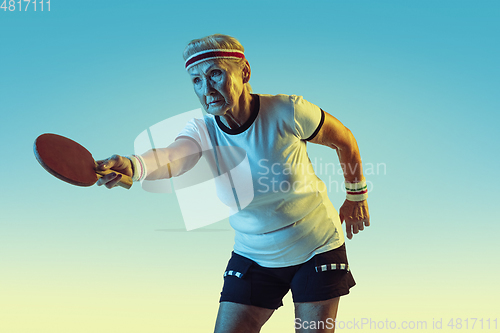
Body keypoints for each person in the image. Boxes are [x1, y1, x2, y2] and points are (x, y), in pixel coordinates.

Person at [97, 34, 370, 333]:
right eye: (196, 81)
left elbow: (344, 140)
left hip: (315, 247)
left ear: (244, 72)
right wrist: (135, 166)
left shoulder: (287, 111)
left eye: (215, 74)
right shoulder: (202, 131)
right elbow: (173, 158)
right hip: (254, 253)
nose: (207, 89)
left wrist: (356, 195)